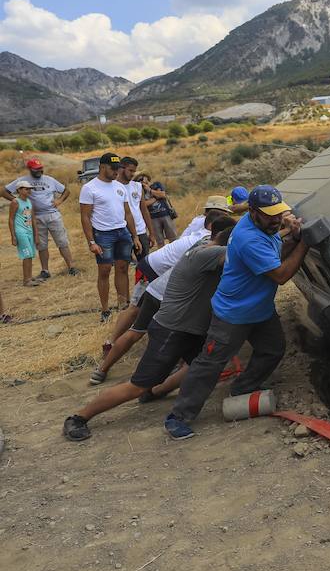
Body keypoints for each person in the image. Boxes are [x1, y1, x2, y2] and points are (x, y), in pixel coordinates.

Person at [62, 220, 237, 441]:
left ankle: (155, 391)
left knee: (204, 364)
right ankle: (79, 417)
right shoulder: (209, 254)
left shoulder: (205, 243)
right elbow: (245, 255)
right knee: (137, 385)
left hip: (189, 328)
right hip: (173, 330)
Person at [164, 185, 307, 440]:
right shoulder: (248, 238)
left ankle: (243, 388)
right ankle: (178, 416)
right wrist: (305, 243)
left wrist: (294, 239)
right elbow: (281, 275)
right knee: (210, 364)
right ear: (253, 212)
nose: (276, 220)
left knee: (273, 349)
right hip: (233, 314)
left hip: (260, 310)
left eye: (278, 213)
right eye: (270, 215)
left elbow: (275, 255)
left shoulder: (263, 228)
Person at [92, 210, 230, 384]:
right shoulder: (215, 252)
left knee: (136, 331)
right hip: (164, 287)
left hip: (157, 286)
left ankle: (101, 369)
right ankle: (167, 375)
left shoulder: (202, 240)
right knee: (180, 331)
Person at [79, 152, 142, 322]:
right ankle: (105, 309)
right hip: (103, 234)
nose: (116, 171)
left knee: (122, 268)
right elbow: (85, 217)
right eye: (113, 168)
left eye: (118, 168)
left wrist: (135, 236)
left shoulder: (119, 187)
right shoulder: (89, 188)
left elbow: (128, 213)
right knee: (105, 270)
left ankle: (123, 305)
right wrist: (91, 242)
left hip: (122, 232)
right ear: (102, 167)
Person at [2, 158, 79, 278]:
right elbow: (3, 192)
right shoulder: (23, 181)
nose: (39, 171)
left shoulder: (49, 179)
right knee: (42, 245)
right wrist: (18, 201)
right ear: (29, 169)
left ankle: (72, 267)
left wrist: (59, 200)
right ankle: (45, 271)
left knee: (62, 242)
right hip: (35, 217)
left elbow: (66, 191)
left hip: (53, 215)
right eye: (36, 169)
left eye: (40, 168)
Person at [117, 157, 154, 257]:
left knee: (144, 262)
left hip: (140, 230)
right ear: (121, 168)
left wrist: (151, 233)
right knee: (123, 263)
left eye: (134, 171)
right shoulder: (114, 187)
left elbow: (144, 210)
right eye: (130, 170)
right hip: (123, 231)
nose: (133, 174)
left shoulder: (137, 186)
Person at [8, 181, 41, 286]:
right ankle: (26, 280)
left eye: (30, 189)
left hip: (29, 231)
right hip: (20, 232)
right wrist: (13, 236)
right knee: (26, 255)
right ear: (19, 190)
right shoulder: (15, 202)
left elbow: (33, 219)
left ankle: (29, 277)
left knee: (30, 254)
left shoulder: (29, 201)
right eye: (26, 189)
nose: (29, 191)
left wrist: (36, 235)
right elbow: (11, 219)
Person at [146, 180, 178, 245]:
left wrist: (150, 190)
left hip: (166, 214)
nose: (141, 181)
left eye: (143, 178)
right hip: (153, 218)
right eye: (139, 180)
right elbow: (144, 204)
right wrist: (156, 197)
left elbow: (162, 194)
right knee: (159, 241)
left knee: (173, 238)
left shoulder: (157, 184)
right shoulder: (141, 190)